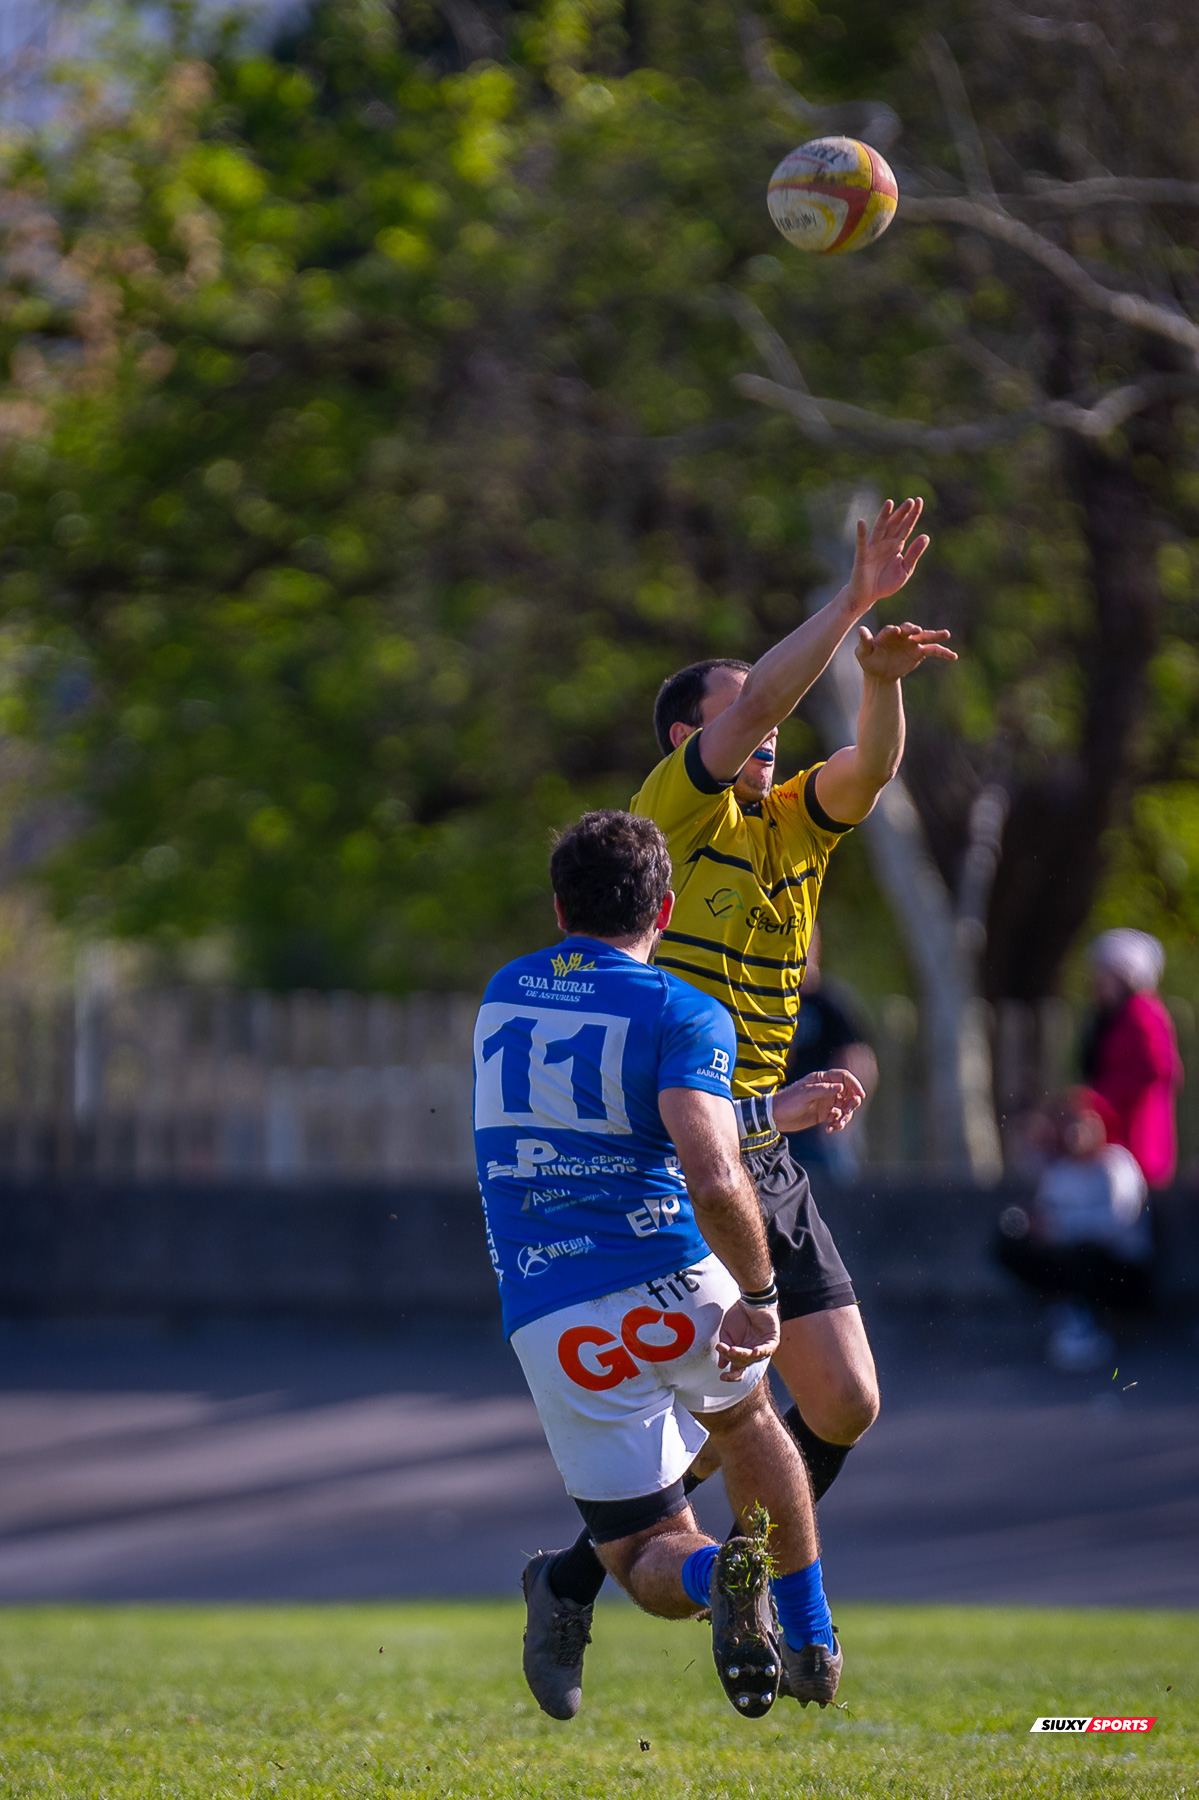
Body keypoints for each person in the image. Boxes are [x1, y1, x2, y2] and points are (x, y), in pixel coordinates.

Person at [475, 810, 842, 1722]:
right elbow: (712, 1175)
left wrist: (761, 1114)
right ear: (666, 909)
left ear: (559, 908)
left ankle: (718, 1574)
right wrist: (759, 1294)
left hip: (552, 1308)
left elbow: (599, 1111)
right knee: (749, 1417)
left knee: (640, 1552)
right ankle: (810, 1633)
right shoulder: (681, 1008)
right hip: (674, 1272)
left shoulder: (505, 990)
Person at [995, 1087, 1153, 1371]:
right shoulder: (1061, 1172)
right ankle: (1068, 1311)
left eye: (1083, 1122)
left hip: (1120, 1269)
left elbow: (1118, 1222)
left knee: (1083, 1250)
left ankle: (1086, 1322)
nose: (1075, 1131)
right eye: (1069, 1124)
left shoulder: (1116, 1164)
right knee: (1009, 1243)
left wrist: (1059, 1228)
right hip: (1072, 1261)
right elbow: (1044, 1213)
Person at [1082, 929, 1183, 1190]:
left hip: (1138, 1136)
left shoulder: (1143, 1013)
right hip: (1120, 1135)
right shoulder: (1116, 1017)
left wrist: (1100, 1100)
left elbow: (1160, 1068)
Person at [783, 923, 877, 1181]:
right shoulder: (772, 1002)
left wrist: (846, 1121)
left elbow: (860, 1062)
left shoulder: (832, 1003)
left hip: (821, 1128)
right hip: (779, 1119)